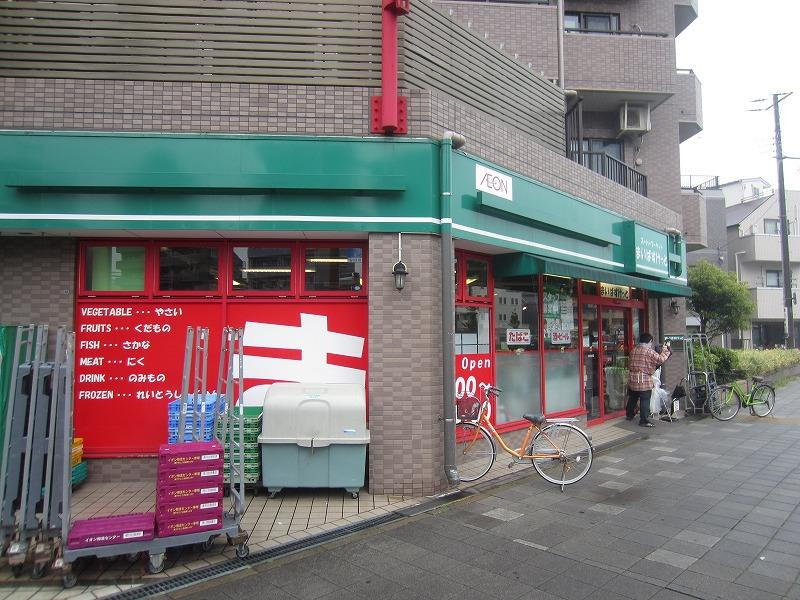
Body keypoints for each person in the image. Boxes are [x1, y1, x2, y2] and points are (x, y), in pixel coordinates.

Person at [626, 332, 672, 427]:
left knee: (633, 397)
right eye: (651, 342)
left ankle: (629, 415)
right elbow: (660, 359)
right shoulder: (649, 352)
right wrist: (666, 350)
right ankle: (644, 420)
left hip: (632, 378)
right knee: (645, 399)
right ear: (650, 341)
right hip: (644, 379)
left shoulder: (634, 350)